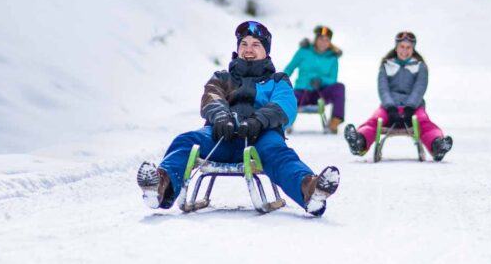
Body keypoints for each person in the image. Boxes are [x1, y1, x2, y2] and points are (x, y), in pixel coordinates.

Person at [137, 20, 340, 216]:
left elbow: (285, 105)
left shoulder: (277, 80)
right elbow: (211, 98)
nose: (248, 49)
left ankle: (309, 188)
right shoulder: (222, 78)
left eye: (255, 45)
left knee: (278, 154)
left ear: (266, 51)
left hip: (261, 140)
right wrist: (221, 118)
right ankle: (160, 184)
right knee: (186, 141)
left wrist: (259, 120)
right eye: (244, 44)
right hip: (221, 137)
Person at [343, 30, 453, 162]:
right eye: (402, 46)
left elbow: (419, 88)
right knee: (375, 120)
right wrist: (390, 108)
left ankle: (437, 144)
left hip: (413, 107)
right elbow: (383, 89)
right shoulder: (386, 66)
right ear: (396, 47)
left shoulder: (420, 67)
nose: (404, 50)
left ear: (413, 49)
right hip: (389, 107)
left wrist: (410, 108)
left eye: (408, 47)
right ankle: (359, 141)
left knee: (423, 122)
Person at [283, 25, 346, 133]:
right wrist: (282, 80)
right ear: (316, 40)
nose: (323, 42)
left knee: (339, 87)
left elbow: (333, 79)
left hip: (320, 93)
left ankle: (334, 122)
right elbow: (289, 68)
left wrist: (321, 80)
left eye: (327, 40)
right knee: (289, 97)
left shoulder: (332, 57)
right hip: (302, 91)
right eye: (321, 39)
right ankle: (286, 121)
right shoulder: (303, 52)